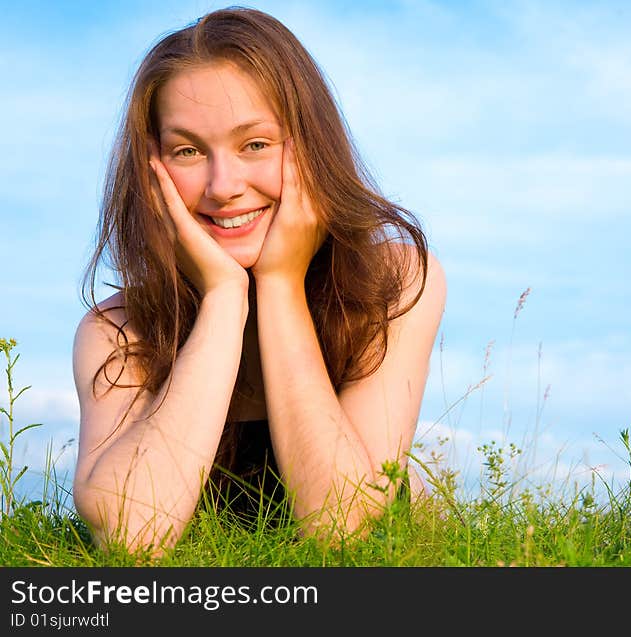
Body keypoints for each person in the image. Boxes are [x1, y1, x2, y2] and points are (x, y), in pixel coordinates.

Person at [71, 7, 446, 556]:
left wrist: (280, 285)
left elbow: (342, 530)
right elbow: (132, 540)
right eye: (188, 151)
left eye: (256, 144)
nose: (224, 186)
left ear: (312, 147)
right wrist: (225, 300)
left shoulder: (394, 280)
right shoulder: (116, 330)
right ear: (150, 171)